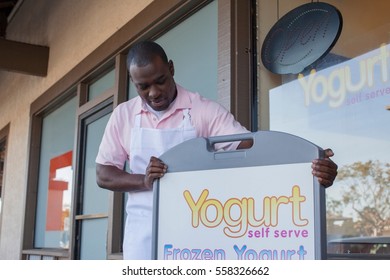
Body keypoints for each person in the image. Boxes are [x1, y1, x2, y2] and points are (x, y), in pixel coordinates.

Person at [95, 40, 338, 260]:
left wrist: (308, 161)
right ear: (133, 82)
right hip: (142, 237)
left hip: (197, 235)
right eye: (143, 87)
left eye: (160, 81)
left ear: (171, 68)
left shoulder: (203, 110)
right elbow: (103, 174)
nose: (154, 93)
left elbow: (251, 149)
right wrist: (146, 181)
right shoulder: (123, 115)